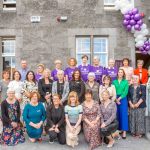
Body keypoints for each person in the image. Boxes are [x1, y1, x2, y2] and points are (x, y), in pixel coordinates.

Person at [113, 69, 129, 139]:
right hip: (115, 98)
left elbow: (125, 92)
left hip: (123, 99)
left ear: (123, 74)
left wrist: (119, 99)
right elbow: (113, 91)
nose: (120, 73)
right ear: (117, 73)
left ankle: (124, 131)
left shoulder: (125, 82)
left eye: (121, 72)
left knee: (123, 115)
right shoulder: (114, 81)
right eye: (119, 72)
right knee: (117, 114)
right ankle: (118, 130)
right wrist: (116, 99)